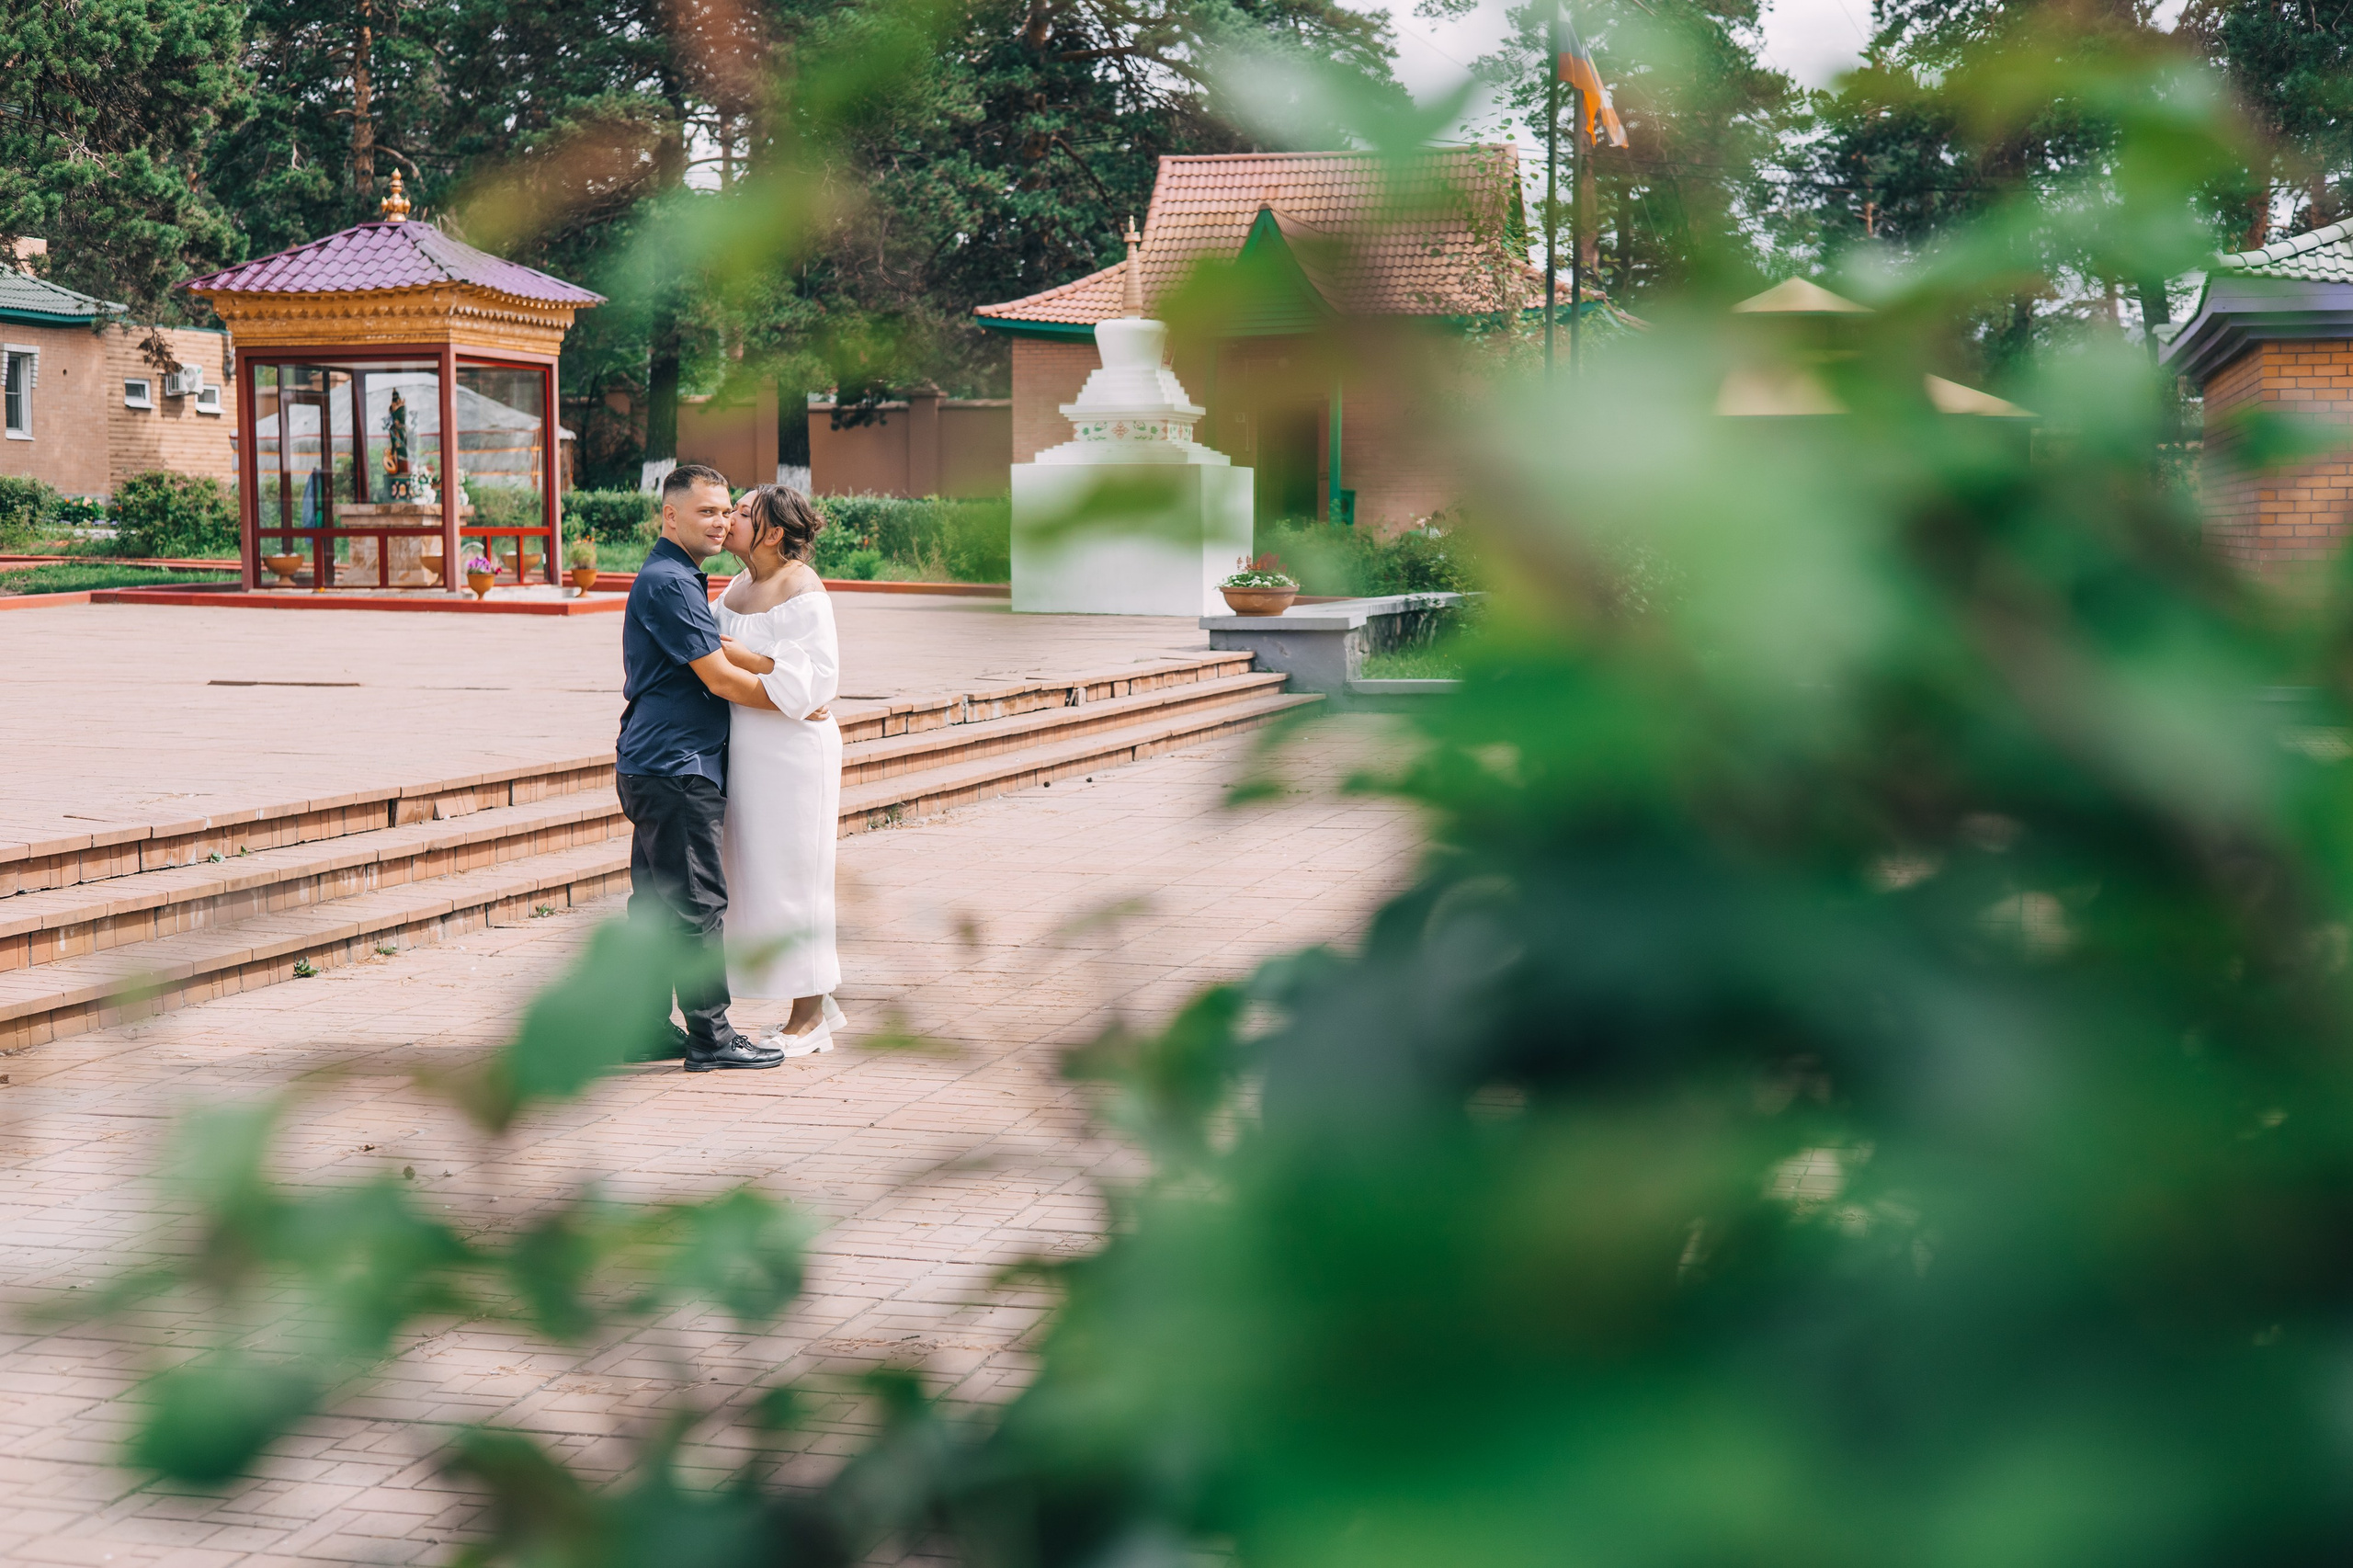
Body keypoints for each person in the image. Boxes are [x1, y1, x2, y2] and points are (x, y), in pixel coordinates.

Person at [616, 463, 785, 1073]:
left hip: (654, 763)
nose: (720, 522)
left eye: (725, 512)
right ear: (670, 515)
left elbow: (721, 652)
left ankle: (643, 1028)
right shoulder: (668, 580)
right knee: (696, 906)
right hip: (675, 768)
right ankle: (712, 1038)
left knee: (659, 908)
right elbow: (715, 675)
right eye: (706, 511)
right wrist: (796, 703)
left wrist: (774, 665)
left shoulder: (677, 577)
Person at [714, 485, 847, 1054]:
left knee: (798, 878)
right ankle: (813, 1000)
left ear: (771, 531)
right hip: (746, 747)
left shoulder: (800, 585)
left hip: (794, 753)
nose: (729, 520)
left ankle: (810, 1017)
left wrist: (731, 653)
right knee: (758, 876)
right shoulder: (738, 586)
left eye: (742, 513)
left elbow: (813, 682)